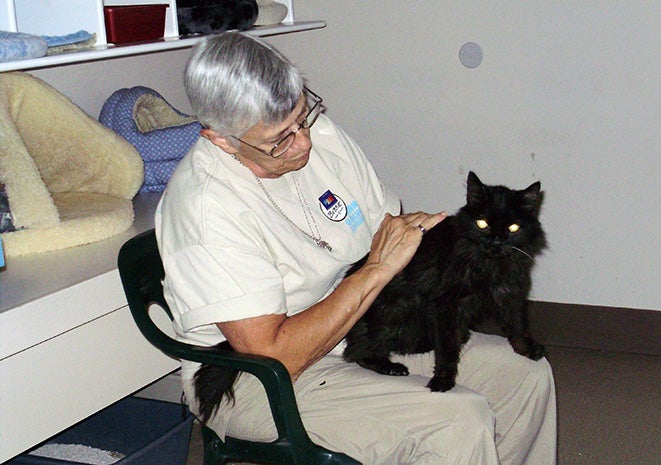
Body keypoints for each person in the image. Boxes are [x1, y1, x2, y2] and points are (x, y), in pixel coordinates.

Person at [156, 31, 557, 465]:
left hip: (357, 329)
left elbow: (383, 227)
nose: (304, 143)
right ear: (221, 139)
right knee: (458, 421)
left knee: (527, 376)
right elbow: (274, 355)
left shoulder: (318, 134)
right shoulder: (206, 209)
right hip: (252, 379)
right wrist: (375, 273)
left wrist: (430, 240)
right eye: (280, 141)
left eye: (302, 117)